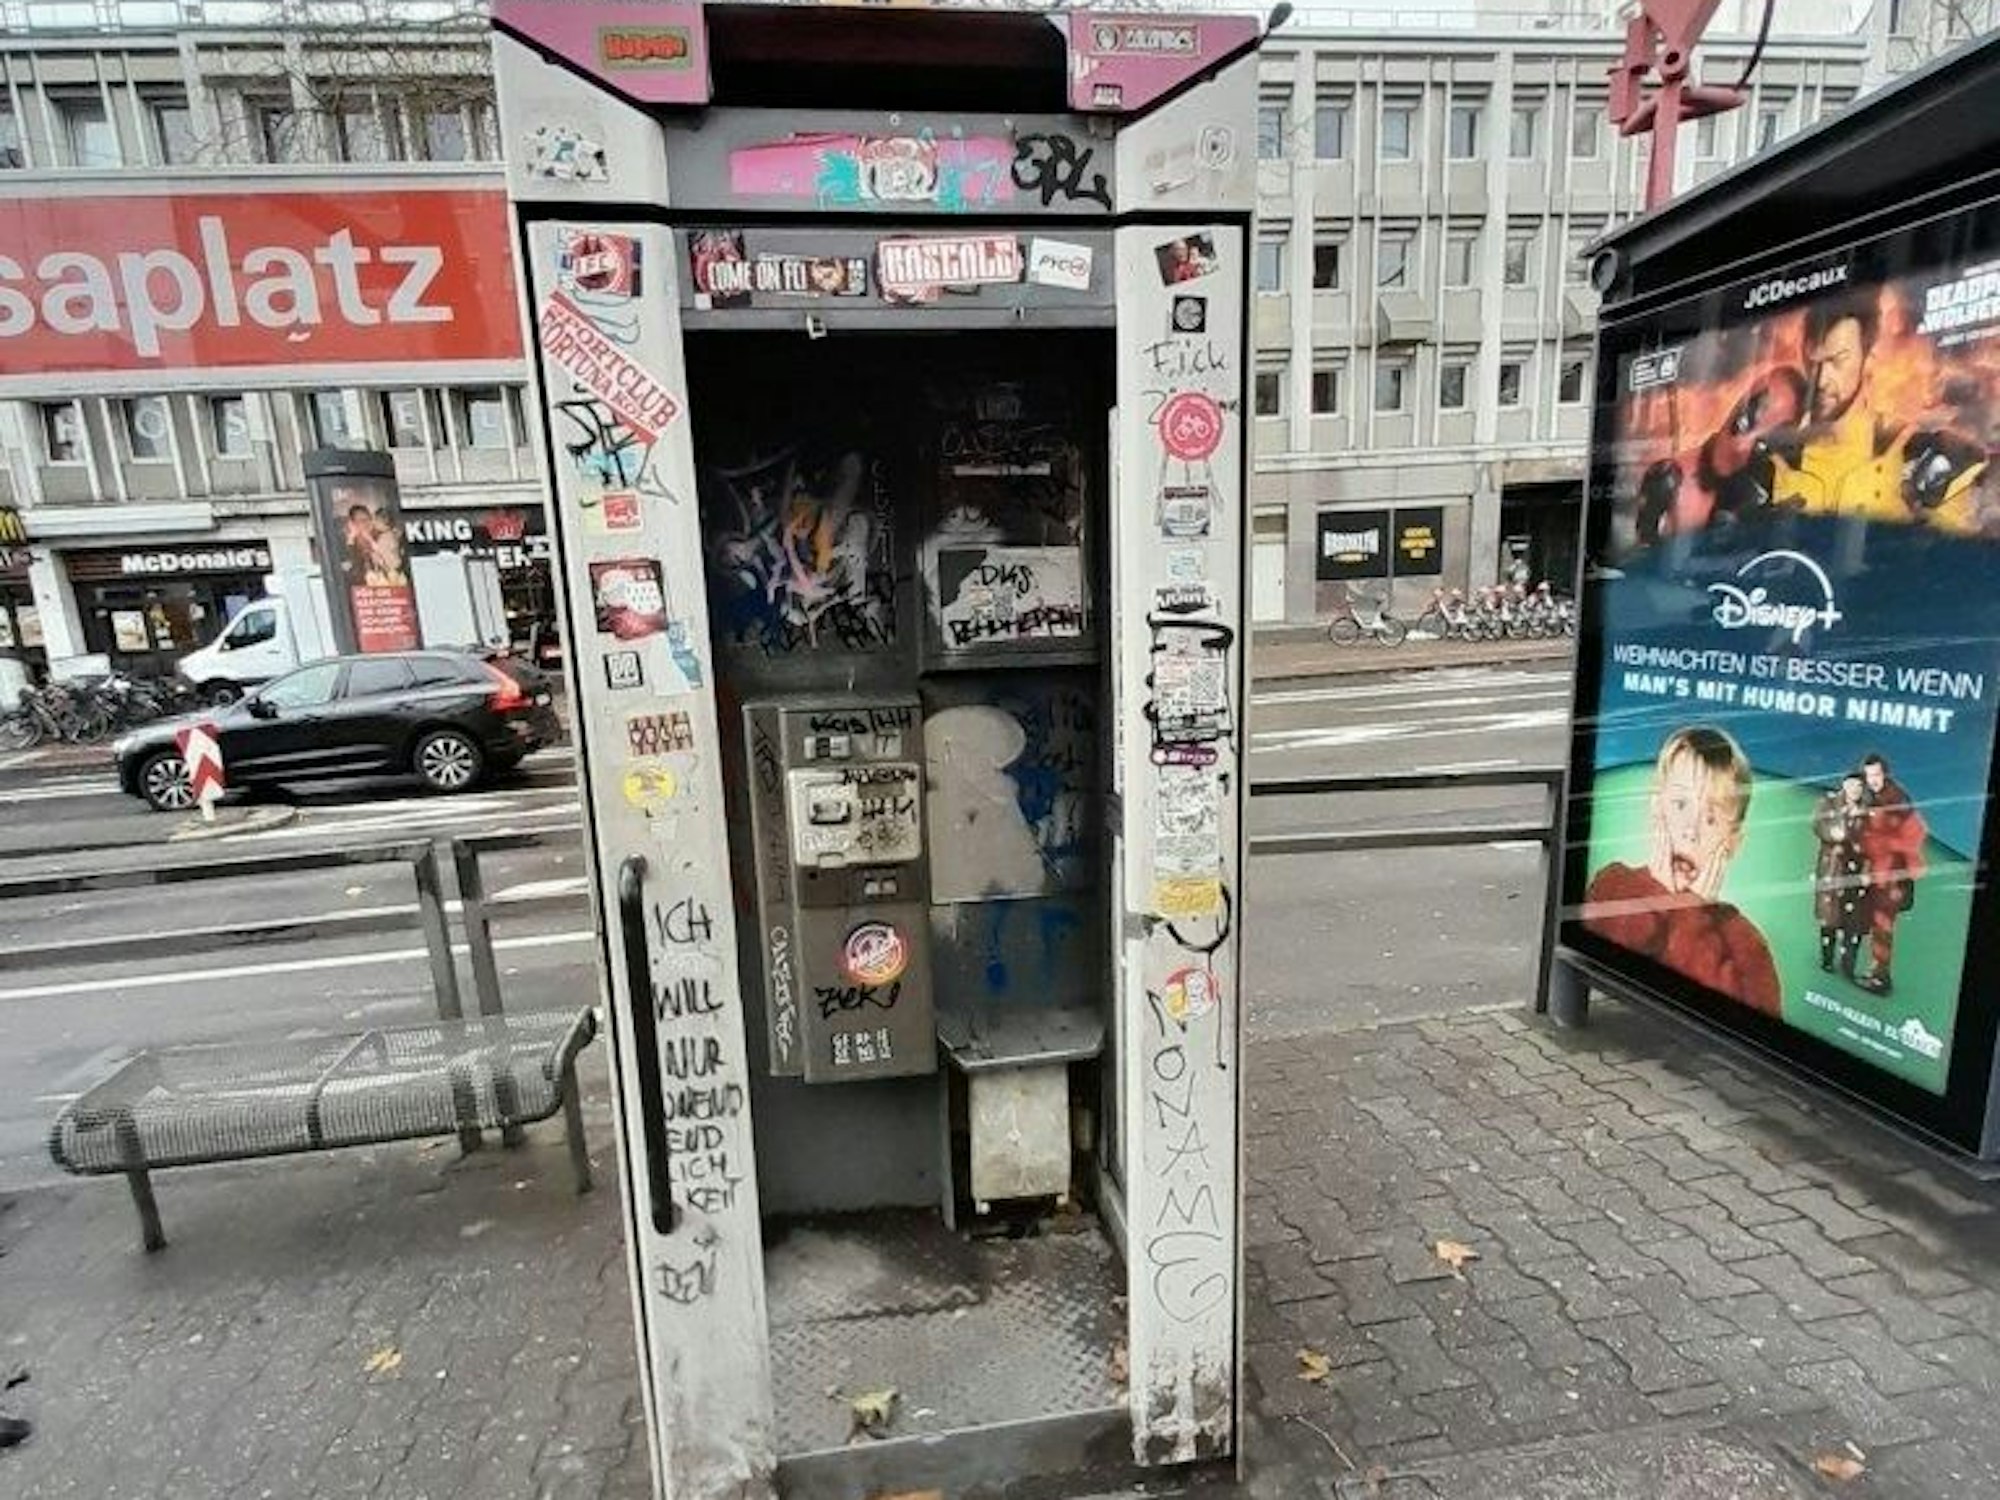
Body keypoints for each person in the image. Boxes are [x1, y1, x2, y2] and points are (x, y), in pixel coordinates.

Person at [1583, 726, 1781, 1016]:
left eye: (1711, 818)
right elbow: (1611, 948)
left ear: (1734, 842)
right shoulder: (1612, 885)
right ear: (1656, 808)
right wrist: (1658, 893)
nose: (1691, 831)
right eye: (1680, 805)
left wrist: (1692, 913)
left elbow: (1741, 1019)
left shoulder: (1746, 944)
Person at [1766, 291, 1988, 531]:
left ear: (1868, 358)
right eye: (1813, 361)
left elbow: (1959, 557)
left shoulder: (1917, 451)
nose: (1821, 380)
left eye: (1838, 361)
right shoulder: (1772, 458)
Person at [1855, 753, 1926, 996]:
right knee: (1876, 924)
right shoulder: (1870, 797)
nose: (1872, 780)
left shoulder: (1898, 800)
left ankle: (1881, 978)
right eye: (1868, 775)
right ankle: (1876, 970)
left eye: (1876, 774)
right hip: (1877, 874)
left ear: (1885, 773)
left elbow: (1914, 835)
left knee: (1883, 925)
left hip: (1892, 878)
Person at [1812, 772, 1870, 980]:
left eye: (1859, 786)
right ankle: (1827, 959)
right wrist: (1836, 833)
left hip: (1856, 873)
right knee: (1829, 918)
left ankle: (1848, 967)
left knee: (1853, 922)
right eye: (1852, 784)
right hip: (1832, 870)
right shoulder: (1828, 803)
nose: (1855, 789)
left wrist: (1867, 872)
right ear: (1844, 784)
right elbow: (1818, 826)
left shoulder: (1868, 811)